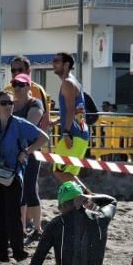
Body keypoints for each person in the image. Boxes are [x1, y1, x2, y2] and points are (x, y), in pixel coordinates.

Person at [0, 91, 49, 261]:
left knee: (13, 215)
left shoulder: (20, 124)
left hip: (13, 175)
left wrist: (26, 152)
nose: (8, 106)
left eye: (10, 103)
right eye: (4, 103)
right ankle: (1, 253)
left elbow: (43, 137)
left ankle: (18, 251)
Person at [10, 73, 47, 245]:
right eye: (14, 84)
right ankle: (21, 228)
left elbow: (29, 126)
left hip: (31, 151)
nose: (17, 87)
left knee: (30, 190)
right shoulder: (12, 104)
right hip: (13, 152)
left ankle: (38, 229)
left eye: (21, 84)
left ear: (28, 86)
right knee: (17, 192)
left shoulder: (35, 103)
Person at [50, 52, 90, 186]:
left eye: (57, 61)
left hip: (73, 135)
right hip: (81, 134)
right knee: (67, 173)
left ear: (66, 65)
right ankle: (86, 199)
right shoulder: (74, 82)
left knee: (59, 171)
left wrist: (66, 133)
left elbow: (71, 110)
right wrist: (56, 121)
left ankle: (87, 198)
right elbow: (72, 111)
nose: (53, 64)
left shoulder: (67, 82)